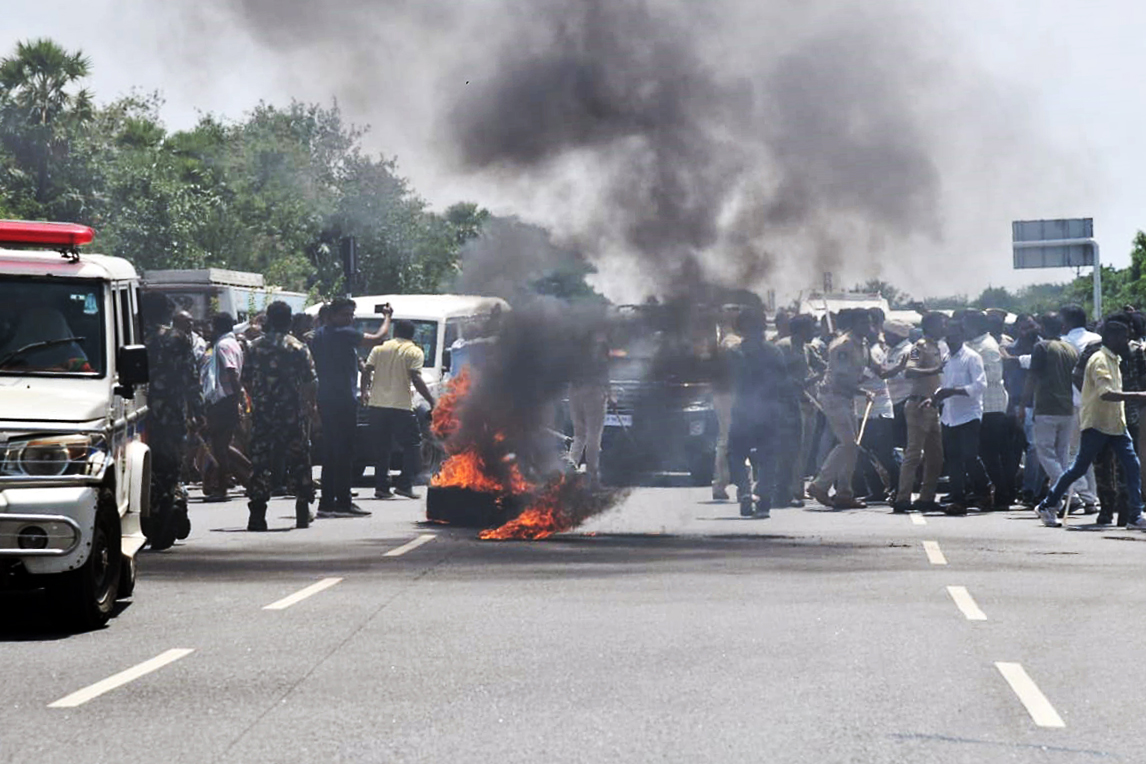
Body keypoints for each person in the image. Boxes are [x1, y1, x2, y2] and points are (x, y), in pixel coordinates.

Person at [1036, 318, 1146, 530]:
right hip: (1097, 424)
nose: (1127, 342)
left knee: (1132, 466)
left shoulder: (1115, 359)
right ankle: (1047, 505)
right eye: (1123, 338)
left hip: (1116, 424)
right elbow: (1106, 394)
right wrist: (1139, 395)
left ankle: (1135, 515)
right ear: (1112, 338)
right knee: (1078, 468)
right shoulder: (1099, 360)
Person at [310, 297, 391, 515]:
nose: (349, 319)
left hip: (326, 398)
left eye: (351, 315)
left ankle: (328, 503)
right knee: (344, 452)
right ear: (333, 315)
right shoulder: (343, 333)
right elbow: (378, 339)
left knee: (331, 453)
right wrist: (387, 317)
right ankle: (343, 503)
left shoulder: (319, 335)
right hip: (342, 400)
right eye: (345, 315)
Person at [243, 301, 318, 531]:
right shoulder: (298, 347)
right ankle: (302, 507)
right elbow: (310, 381)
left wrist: (256, 398)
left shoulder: (254, 346)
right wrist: (309, 407)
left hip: (263, 412)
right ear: (288, 321)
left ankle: (257, 513)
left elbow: (244, 378)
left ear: (268, 320)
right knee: (299, 459)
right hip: (291, 413)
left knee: (259, 461)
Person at [141, 292, 205, 550]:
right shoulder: (177, 339)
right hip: (170, 415)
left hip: (136, 412)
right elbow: (191, 378)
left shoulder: (130, 336)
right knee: (168, 470)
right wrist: (198, 411)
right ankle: (164, 523)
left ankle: (152, 521)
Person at [361, 319, 436, 500]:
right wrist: (432, 400)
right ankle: (404, 484)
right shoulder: (414, 351)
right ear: (413, 335)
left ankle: (382, 488)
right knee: (413, 445)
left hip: (377, 406)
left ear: (395, 332)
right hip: (400, 406)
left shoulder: (380, 349)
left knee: (382, 447)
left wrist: (365, 392)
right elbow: (416, 377)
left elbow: (366, 370)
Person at [807, 309, 873, 509]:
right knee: (848, 444)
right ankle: (820, 484)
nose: (868, 328)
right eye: (864, 323)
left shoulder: (863, 344)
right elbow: (839, 378)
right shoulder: (843, 345)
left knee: (852, 447)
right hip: (834, 396)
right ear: (854, 324)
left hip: (847, 397)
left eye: (869, 323)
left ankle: (845, 492)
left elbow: (870, 370)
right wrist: (862, 391)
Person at [727, 309, 789, 518]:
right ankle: (764, 500)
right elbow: (783, 383)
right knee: (769, 458)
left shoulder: (735, 353)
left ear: (741, 329)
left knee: (735, 455)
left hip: (743, 410)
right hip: (770, 411)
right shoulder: (775, 352)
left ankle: (745, 491)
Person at [1024, 313, 1079, 514]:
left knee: (1045, 452)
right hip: (1067, 407)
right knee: (1061, 455)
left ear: (1042, 327)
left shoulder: (1042, 347)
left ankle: (1071, 493)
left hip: (1047, 407)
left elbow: (1031, 377)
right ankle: (1058, 500)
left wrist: (1022, 404)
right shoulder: (1070, 349)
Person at [893, 313, 947, 513]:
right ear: (931, 326)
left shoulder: (937, 347)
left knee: (936, 456)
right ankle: (902, 497)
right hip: (918, 406)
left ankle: (927, 497)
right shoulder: (918, 347)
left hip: (932, 406)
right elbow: (909, 371)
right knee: (914, 453)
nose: (945, 328)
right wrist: (935, 370)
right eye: (942, 325)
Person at [932, 320, 987, 516]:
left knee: (969, 456)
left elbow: (980, 386)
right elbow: (943, 385)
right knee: (953, 459)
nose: (950, 340)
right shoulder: (946, 358)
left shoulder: (972, 357)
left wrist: (953, 391)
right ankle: (958, 500)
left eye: (954, 336)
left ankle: (984, 489)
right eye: (948, 337)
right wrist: (937, 397)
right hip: (949, 415)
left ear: (962, 336)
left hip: (969, 415)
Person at [964, 310, 1012, 508]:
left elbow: (992, 376)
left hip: (990, 407)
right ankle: (981, 492)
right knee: (975, 453)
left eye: (966, 324)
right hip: (973, 407)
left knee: (988, 455)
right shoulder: (969, 346)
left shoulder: (987, 347)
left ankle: (1000, 496)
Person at [201, 312, 250, 501]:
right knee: (221, 445)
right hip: (226, 399)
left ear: (216, 326)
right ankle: (248, 477)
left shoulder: (223, 345)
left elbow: (232, 372)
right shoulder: (232, 343)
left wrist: (238, 400)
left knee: (220, 446)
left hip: (224, 400)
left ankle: (223, 488)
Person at [775, 314, 818, 507]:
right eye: (811, 329)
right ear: (802, 330)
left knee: (804, 448)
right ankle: (787, 490)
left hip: (808, 402)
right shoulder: (784, 347)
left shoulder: (807, 348)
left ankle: (797, 489)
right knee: (792, 449)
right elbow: (778, 374)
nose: (814, 332)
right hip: (790, 404)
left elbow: (823, 366)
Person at [567, 326, 610, 489]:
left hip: (574, 391)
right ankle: (592, 477)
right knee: (594, 435)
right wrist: (609, 392)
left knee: (579, 435)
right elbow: (604, 371)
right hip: (593, 391)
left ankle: (570, 470)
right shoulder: (600, 345)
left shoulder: (574, 347)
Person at [711, 307, 742, 500]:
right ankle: (727, 483)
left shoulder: (727, 341)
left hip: (725, 394)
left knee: (726, 438)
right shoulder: (732, 342)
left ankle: (722, 483)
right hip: (730, 395)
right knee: (730, 439)